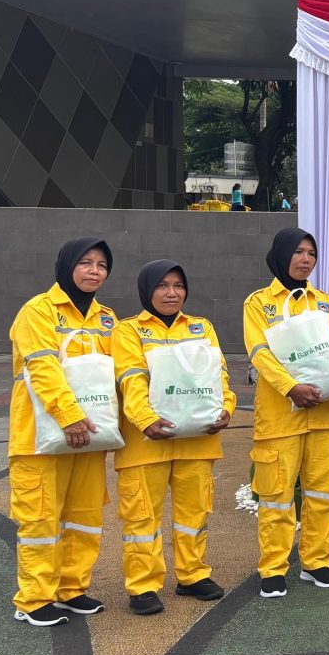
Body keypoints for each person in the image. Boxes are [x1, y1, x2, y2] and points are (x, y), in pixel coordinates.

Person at [112, 260, 235, 615]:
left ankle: (192, 574)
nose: (171, 293)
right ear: (146, 290)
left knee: (193, 513)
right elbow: (130, 379)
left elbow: (219, 376)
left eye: (178, 285)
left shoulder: (201, 327)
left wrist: (226, 407)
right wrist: (146, 419)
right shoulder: (128, 330)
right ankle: (142, 585)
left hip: (198, 440)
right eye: (162, 286)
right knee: (141, 519)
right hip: (146, 443)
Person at [8, 238, 117, 626]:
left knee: (84, 515)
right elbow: (43, 369)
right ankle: (34, 598)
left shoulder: (107, 318)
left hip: (90, 437)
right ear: (66, 265)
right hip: (41, 437)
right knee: (41, 519)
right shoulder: (38, 311)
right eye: (85, 263)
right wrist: (69, 416)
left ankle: (73, 589)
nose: (94, 271)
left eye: (102, 265)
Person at [244, 228, 329, 599]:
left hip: (324, 416)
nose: (306, 259)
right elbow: (259, 352)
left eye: (311, 253)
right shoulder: (258, 303)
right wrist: (291, 387)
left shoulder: (325, 303)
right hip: (281, 418)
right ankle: (274, 567)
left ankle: (317, 562)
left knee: (323, 494)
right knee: (277, 495)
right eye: (298, 252)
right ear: (280, 254)